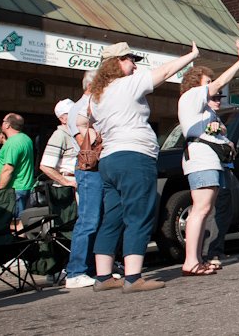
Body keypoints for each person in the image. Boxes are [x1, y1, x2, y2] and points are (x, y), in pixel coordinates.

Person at [90, 41, 199, 293]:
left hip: (109, 159)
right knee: (138, 215)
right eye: (130, 59)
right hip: (134, 157)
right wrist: (191, 55)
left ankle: (103, 276)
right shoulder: (127, 85)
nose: (134, 64)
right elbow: (164, 73)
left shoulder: (98, 95)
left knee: (112, 217)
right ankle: (133, 278)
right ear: (116, 63)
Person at [178, 40, 239, 276]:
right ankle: (191, 261)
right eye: (207, 82)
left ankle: (196, 259)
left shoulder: (205, 110)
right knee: (201, 209)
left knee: (205, 209)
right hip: (201, 159)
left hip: (209, 159)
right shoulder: (191, 97)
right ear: (196, 84)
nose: (213, 88)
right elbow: (220, 82)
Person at [64, 71, 104, 289]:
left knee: (94, 219)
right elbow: (83, 140)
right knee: (88, 220)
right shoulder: (82, 108)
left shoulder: (82, 106)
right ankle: (76, 270)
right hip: (89, 169)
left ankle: (88, 268)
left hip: (91, 169)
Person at [0, 113, 35, 230]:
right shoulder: (26, 139)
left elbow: (8, 170)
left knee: (13, 225)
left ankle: (17, 248)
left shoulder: (13, 143)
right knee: (19, 223)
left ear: (7, 125)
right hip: (23, 187)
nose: (2, 123)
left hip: (14, 190)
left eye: (3, 121)